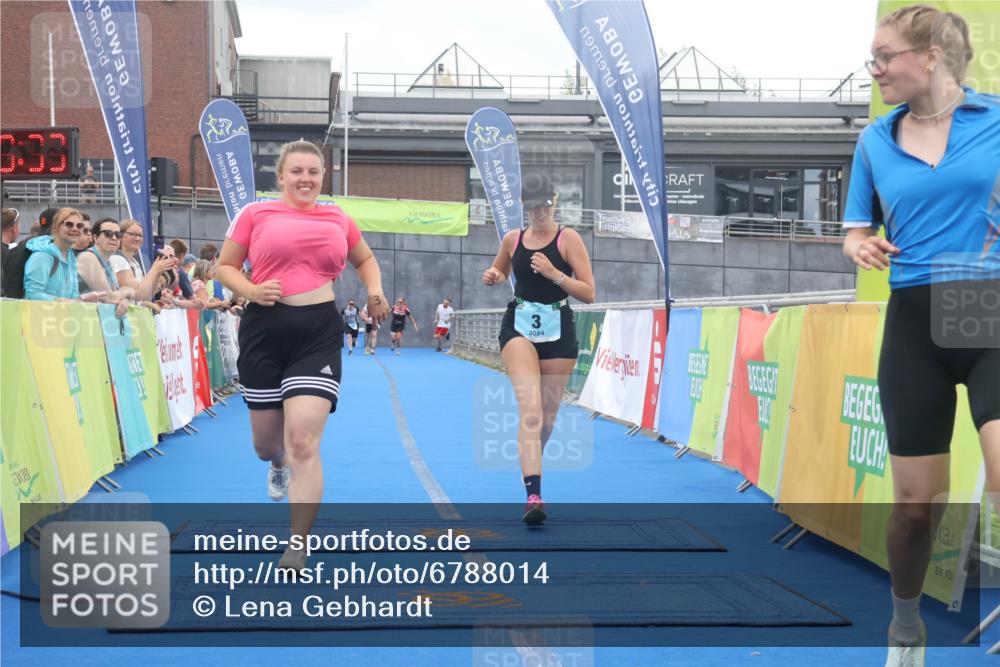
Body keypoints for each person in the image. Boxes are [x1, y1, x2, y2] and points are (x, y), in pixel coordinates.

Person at [842, 6, 999, 666]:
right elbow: (853, 225)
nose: (874, 69)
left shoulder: (996, 120)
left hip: (986, 304)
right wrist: (858, 244)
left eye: (885, 56)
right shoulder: (875, 139)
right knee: (914, 506)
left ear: (931, 55)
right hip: (912, 319)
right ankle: (905, 623)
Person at [214, 139, 388, 571]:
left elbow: (364, 258)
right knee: (267, 445)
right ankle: (277, 465)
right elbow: (224, 267)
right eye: (297, 171)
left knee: (303, 441)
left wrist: (375, 289)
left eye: (313, 171)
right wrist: (251, 289)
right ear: (282, 176)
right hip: (264, 331)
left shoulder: (337, 218)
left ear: (322, 176)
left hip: (317, 333)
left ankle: (298, 542)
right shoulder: (256, 214)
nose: (306, 179)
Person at [482, 172, 595, 525]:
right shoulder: (513, 239)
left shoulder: (568, 239)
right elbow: (501, 270)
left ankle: (530, 456)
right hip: (518, 327)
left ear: (555, 202)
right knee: (530, 412)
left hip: (558, 329)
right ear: (524, 207)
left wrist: (554, 274)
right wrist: (494, 276)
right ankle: (533, 494)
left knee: (546, 419)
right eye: (533, 207)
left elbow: (589, 292)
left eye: (545, 205)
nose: (540, 213)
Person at [23, 208, 103, 303]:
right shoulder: (42, 256)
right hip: (40, 316)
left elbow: (73, 296)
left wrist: (83, 298)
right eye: (69, 224)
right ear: (55, 227)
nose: (75, 228)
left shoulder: (70, 256)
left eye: (79, 225)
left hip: (61, 316)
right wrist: (69, 302)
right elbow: (32, 295)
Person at [111, 219, 177, 305]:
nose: (137, 238)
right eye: (132, 234)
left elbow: (147, 295)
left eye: (140, 235)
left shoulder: (134, 262)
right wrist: (155, 270)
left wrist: (158, 274)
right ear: (121, 236)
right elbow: (137, 293)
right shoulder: (117, 259)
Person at [76, 217, 132, 317]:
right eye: (108, 233)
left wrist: (125, 298)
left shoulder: (107, 261)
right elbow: (109, 297)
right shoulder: (87, 257)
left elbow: (116, 296)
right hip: (80, 319)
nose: (114, 238)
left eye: (118, 235)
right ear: (95, 238)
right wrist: (128, 291)